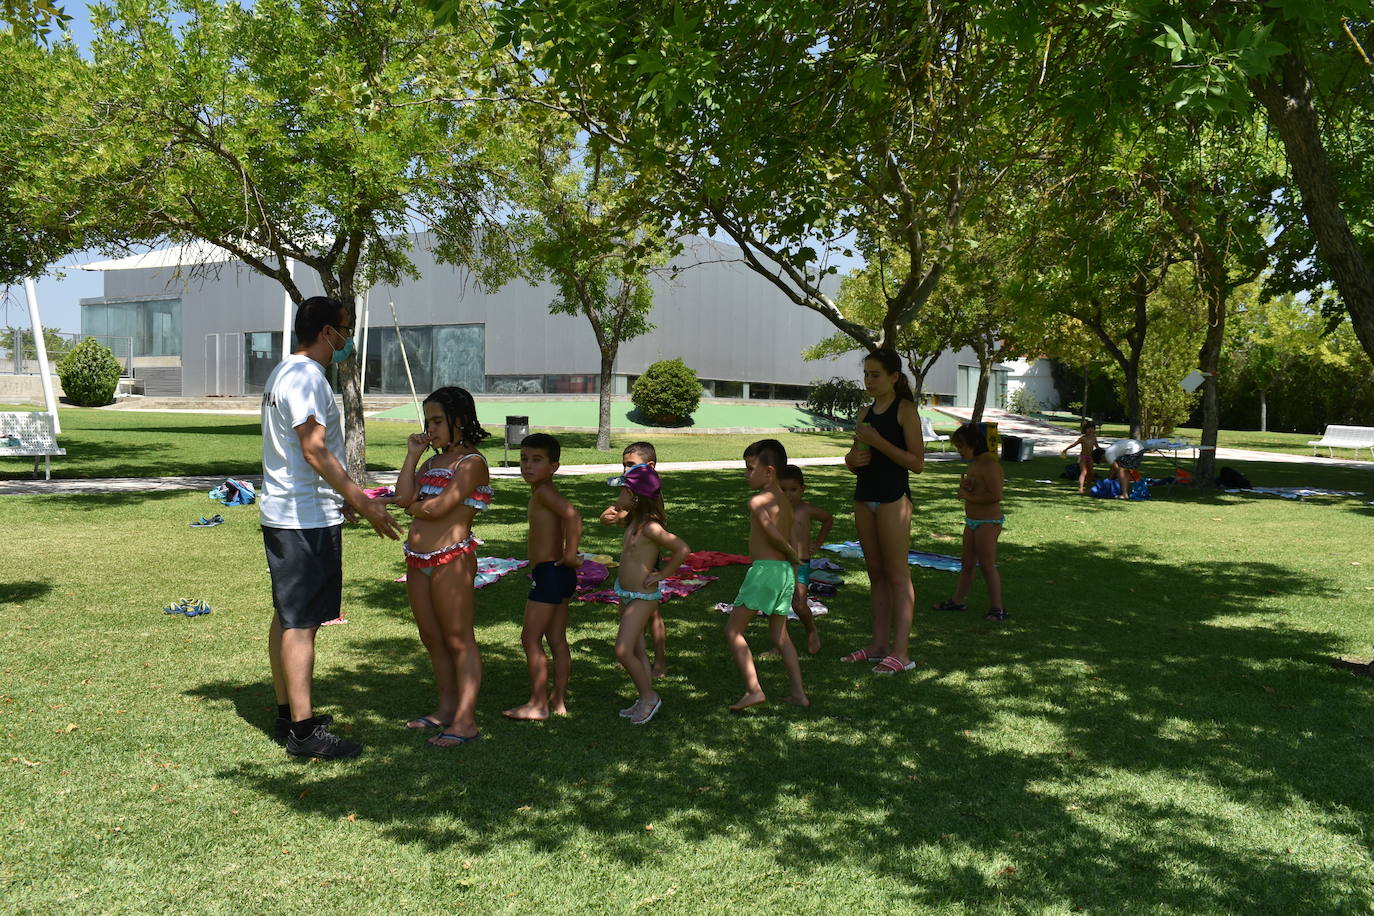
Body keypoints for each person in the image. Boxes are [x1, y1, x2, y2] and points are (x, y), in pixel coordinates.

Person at [259, 295, 403, 759]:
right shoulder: (304, 377)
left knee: (288, 615)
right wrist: (361, 500)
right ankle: (303, 734)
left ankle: (289, 714)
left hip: (291, 514)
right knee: (302, 623)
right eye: (346, 329)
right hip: (303, 519)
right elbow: (315, 450)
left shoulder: (285, 371)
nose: (348, 339)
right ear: (326, 332)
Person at [393, 386, 491, 747]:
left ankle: (465, 721)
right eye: (427, 421)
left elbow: (437, 508)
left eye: (437, 421)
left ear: (460, 421)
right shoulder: (432, 463)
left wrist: (414, 505)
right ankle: (446, 709)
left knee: (458, 639)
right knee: (431, 637)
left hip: (452, 558)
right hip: (418, 560)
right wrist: (412, 455)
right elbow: (404, 495)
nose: (429, 428)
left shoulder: (472, 464)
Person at [841, 348, 925, 675]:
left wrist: (877, 443)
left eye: (876, 375)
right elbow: (853, 457)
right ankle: (878, 646)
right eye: (866, 375)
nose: (869, 381)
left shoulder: (906, 411)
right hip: (865, 497)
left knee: (897, 575)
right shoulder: (864, 414)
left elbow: (917, 463)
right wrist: (852, 460)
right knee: (875, 574)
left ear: (894, 378)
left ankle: (901, 652)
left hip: (893, 499)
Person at [724, 439, 809, 711]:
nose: (746, 474)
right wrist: (795, 573)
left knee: (733, 630)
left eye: (750, 468)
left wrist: (792, 555)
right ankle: (799, 693)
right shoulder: (785, 501)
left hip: (765, 571)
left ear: (769, 471)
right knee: (780, 635)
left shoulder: (758, 501)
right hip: (783, 573)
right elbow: (794, 537)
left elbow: (775, 537)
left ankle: (754, 690)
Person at [504, 433, 582, 720]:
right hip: (557, 572)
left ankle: (538, 704)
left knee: (530, 639)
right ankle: (557, 700)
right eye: (524, 459)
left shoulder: (545, 492)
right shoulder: (544, 491)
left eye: (537, 460)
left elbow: (573, 516)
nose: (527, 466)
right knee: (557, 639)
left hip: (550, 572)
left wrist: (572, 552)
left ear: (554, 466)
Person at [606, 464, 690, 725]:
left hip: (642, 597)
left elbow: (682, 549)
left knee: (622, 650)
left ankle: (650, 696)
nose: (618, 497)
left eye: (622, 491)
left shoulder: (651, 528)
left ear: (635, 496)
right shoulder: (633, 522)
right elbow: (608, 518)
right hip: (626, 593)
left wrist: (662, 574)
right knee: (638, 651)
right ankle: (643, 697)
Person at [599, 441, 669, 677]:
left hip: (647, 560)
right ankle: (638, 656)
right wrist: (609, 517)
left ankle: (659, 660)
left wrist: (621, 515)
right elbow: (619, 515)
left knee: (653, 614)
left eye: (630, 465)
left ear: (650, 466)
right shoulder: (631, 489)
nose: (625, 470)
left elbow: (646, 521)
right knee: (627, 608)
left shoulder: (650, 492)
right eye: (624, 465)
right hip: (635, 554)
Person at [933, 423, 1007, 622]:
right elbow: (979, 490)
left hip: (987, 522)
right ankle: (957, 601)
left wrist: (968, 497)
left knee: (987, 565)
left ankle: (997, 609)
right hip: (973, 521)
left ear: (974, 444)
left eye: (962, 447)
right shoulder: (974, 464)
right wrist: (968, 488)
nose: (960, 451)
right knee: (967, 563)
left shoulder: (990, 465)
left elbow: (996, 495)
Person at [776, 464, 833, 655]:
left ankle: (811, 630)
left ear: (802, 489)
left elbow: (828, 519)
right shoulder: (775, 511)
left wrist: (817, 542)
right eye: (783, 490)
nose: (788, 494)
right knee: (780, 605)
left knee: (799, 604)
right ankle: (780, 644)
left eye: (793, 489)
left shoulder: (806, 510)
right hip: (781, 564)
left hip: (800, 563)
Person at [1060, 420, 1099, 495]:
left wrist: (1102, 453)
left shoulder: (1094, 438)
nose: (1090, 430)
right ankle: (1081, 488)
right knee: (1084, 472)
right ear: (1085, 429)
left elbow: (1097, 447)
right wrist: (1066, 449)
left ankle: (1088, 487)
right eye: (1088, 428)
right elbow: (1074, 444)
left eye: (1092, 428)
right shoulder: (1082, 438)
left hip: (1091, 457)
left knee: (1091, 473)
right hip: (1083, 457)